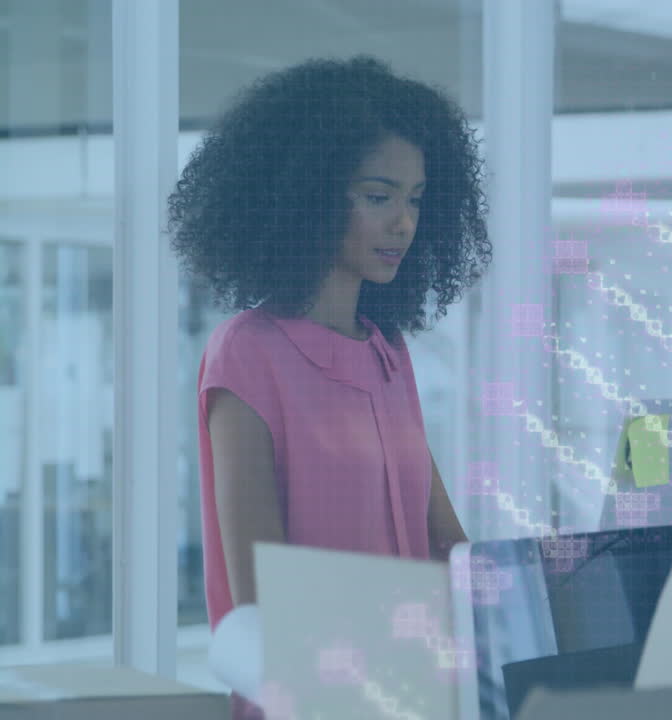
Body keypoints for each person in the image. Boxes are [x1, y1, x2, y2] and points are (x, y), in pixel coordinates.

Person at [168, 55, 490, 719]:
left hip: (421, 695)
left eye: (415, 199)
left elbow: (451, 551)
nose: (404, 222)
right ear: (309, 196)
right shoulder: (247, 354)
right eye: (378, 197)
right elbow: (261, 598)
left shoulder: (388, 354)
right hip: (314, 701)